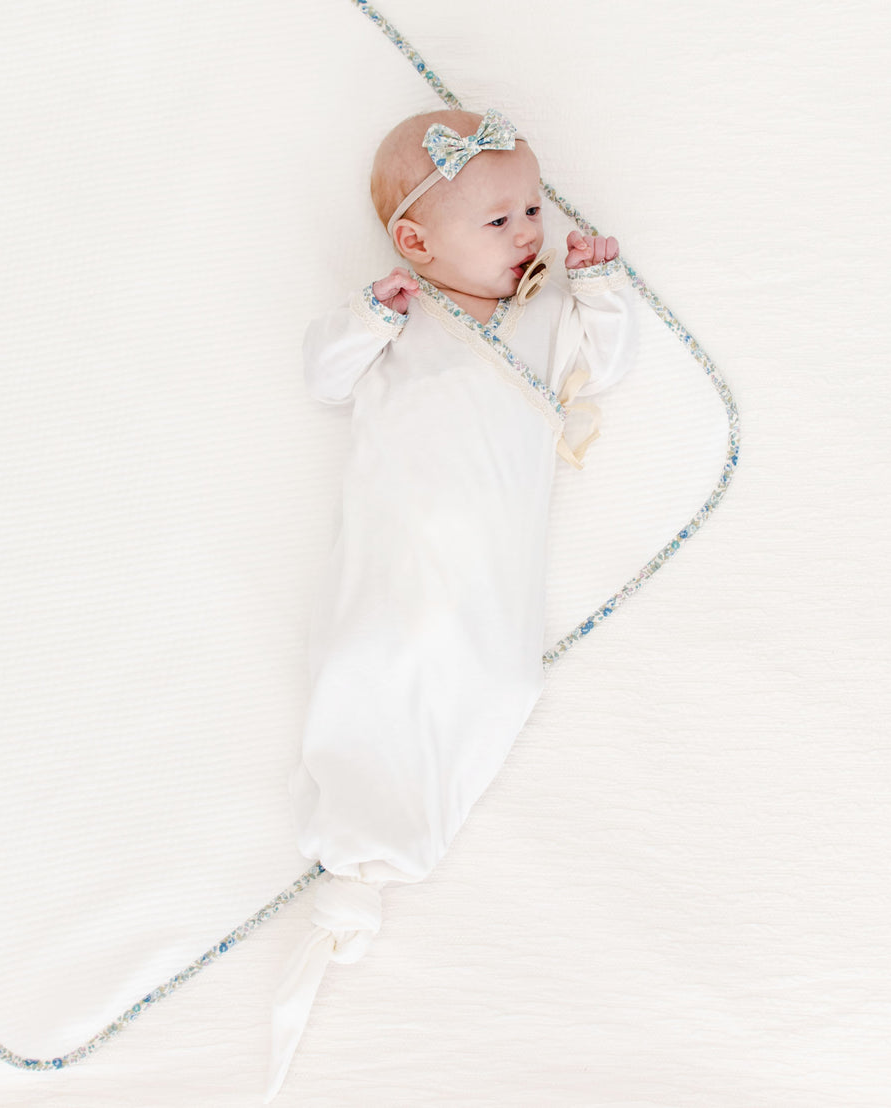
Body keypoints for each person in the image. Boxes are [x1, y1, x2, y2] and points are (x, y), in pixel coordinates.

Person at [264, 108, 641, 1102]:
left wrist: (599, 286)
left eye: (530, 207)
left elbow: (601, 366)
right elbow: (322, 376)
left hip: (490, 568)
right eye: (499, 219)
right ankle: (357, 841)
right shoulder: (405, 319)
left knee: (502, 675)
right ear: (417, 245)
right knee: (370, 660)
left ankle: (395, 838)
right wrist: (370, 317)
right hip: (393, 553)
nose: (527, 231)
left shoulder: (541, 311)